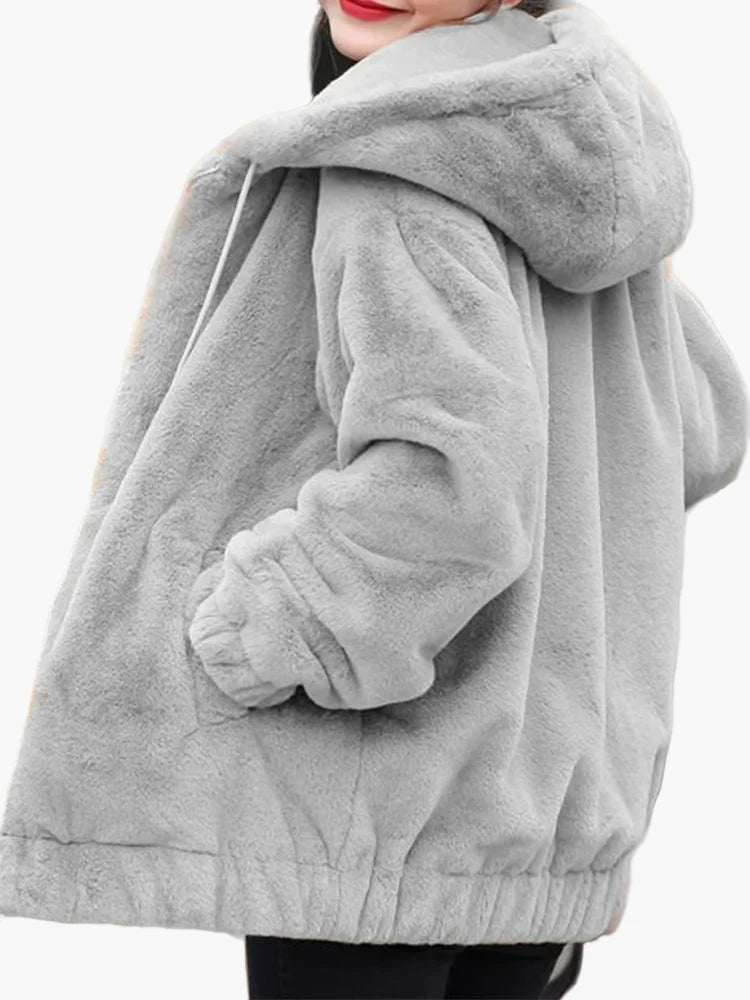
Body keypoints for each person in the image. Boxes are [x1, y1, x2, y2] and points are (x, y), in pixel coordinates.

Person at [0, 1, 746, 998]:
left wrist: (273, 622)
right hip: (537, 821)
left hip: (373, 819)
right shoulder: (583, 150)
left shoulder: (398, 159)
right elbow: (701, 420)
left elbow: (453, 481)